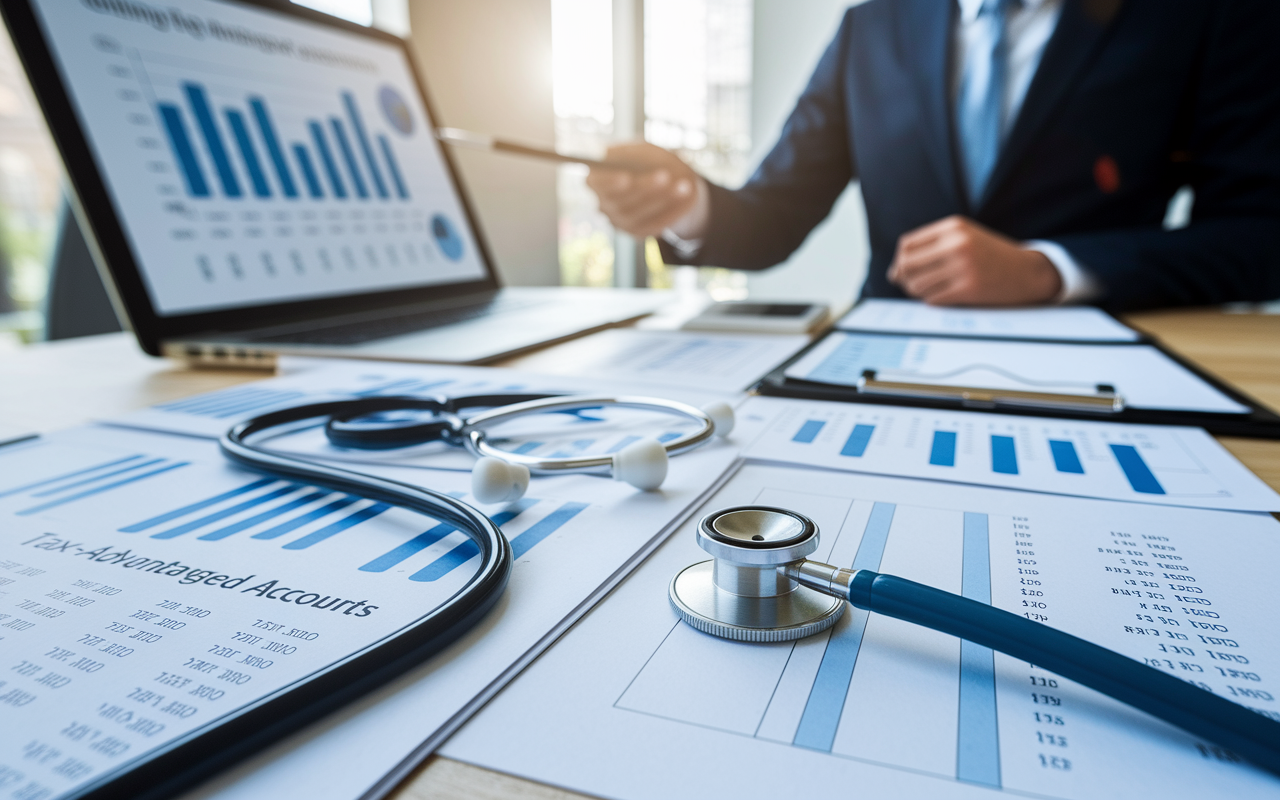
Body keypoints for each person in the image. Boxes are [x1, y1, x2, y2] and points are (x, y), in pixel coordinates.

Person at [586, 0, 1280, 310]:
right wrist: (688, 206)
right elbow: (774, 217)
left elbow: (1259, 238)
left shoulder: (1205, 14)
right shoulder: (871, 25)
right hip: (884, 367)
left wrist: (1049, 271)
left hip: (1098, 365)